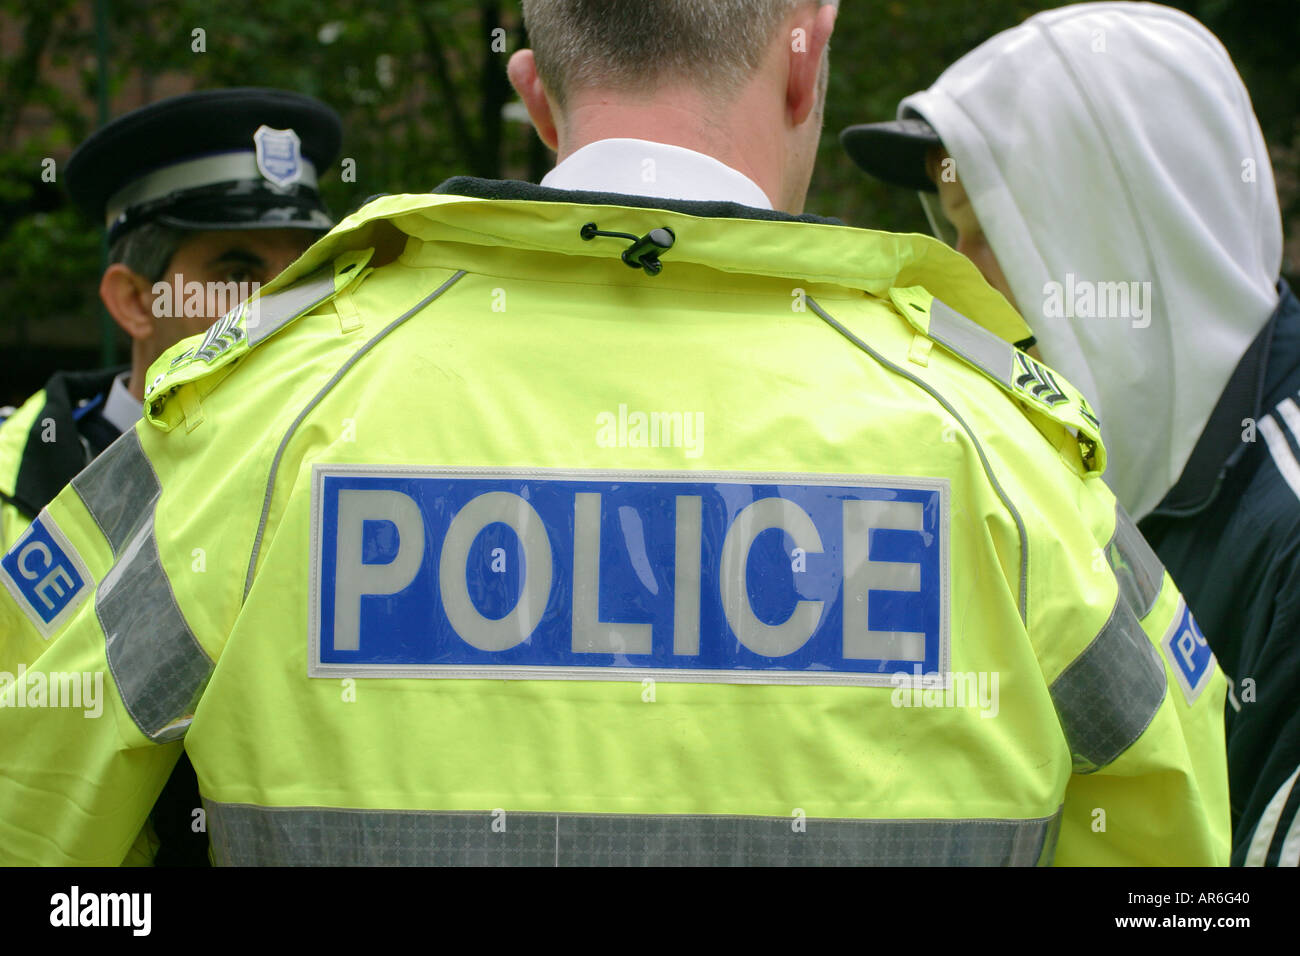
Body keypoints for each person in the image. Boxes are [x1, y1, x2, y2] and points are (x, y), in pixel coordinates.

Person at [0, 0, 1229, 866]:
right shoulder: (1008, 452)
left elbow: (31, 804)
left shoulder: (246, 424)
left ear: (536, 97)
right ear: (804, 65)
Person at [840, 1, 1298, 865]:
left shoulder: (1289, 529)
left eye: (987, 230)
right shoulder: (1057, 475)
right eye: (950, 228)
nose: (949, 280)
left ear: (1117, 232)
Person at [0, 87, 342, 865]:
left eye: (309, 273)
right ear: (132, 301)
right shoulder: (15, 476)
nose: (282, 307)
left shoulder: (348, 471)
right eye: (237, 268)